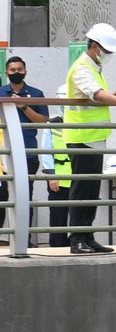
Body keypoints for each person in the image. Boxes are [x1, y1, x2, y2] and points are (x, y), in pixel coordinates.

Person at [64, 22, 116, 254]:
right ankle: (77, 238)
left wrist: (114, 95)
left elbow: (99, 93)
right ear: (95, 46)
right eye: (105, 51)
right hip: (82, 136)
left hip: (94, 138)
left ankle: (87, 236)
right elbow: (95, 94)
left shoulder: (94, 67)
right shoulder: (82, 67)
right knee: (82, 190)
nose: (107, 56)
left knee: (91, 190)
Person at [0, 56, 49, 247]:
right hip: (3, 155)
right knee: (2, 197)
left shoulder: (36, 93)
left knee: (24, 196)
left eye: (19, 69)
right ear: (6, 73)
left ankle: (24, 241)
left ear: (25, 71)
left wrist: (24, 106)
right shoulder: (1, 92)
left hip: (28, 153)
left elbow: (42, 120)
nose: (16, 73)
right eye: (12, 70)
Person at [39, 84, 72, 248]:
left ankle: (75, 241)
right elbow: (46, 151)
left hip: (77, 176)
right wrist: (51, 176)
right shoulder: (53, 123)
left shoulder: (80, 123)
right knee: (58, 213)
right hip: (58, 176)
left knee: (78, 212)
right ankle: (58, 244)